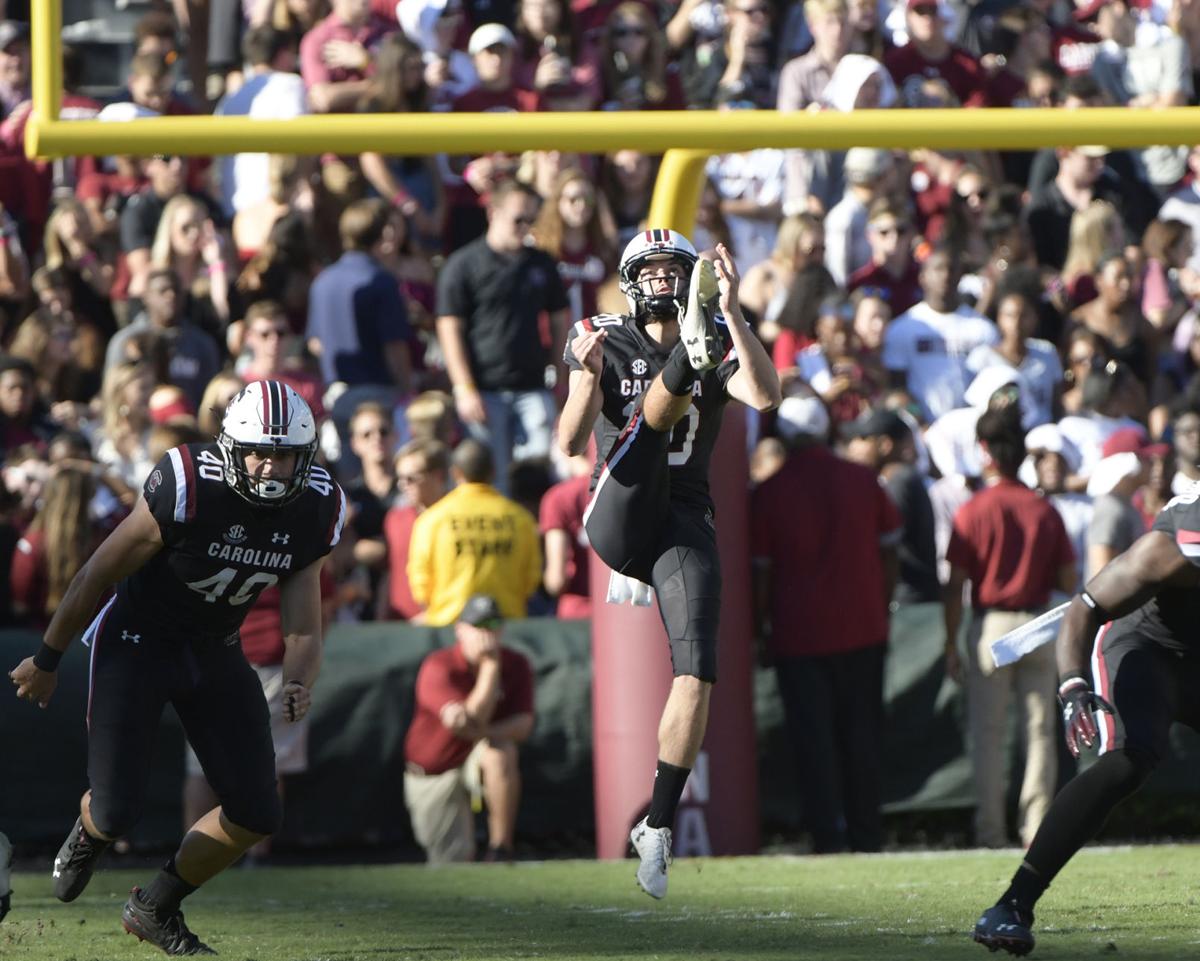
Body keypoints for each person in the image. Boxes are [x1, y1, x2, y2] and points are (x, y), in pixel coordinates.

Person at [8, 381, 345, 956]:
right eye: (258, 452)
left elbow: (304, 627)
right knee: (116, 812)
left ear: (304, 457)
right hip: (137, 640)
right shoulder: (190, 483)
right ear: (231, 448)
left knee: (258, 810)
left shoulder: (315, 507)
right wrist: (47, 658)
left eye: (283, 454)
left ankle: (155, 905)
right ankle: (91, 831)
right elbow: (96, 574)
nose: (268, 466)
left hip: (214, 645)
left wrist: (297, 679)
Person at [559, 232, 780, 898]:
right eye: (647, 270)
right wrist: (586, 378)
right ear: (630, 280)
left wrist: (736, 313)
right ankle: (684, 365)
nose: (658, 278)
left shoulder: (719, 328)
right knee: (647, 432)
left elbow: (766, 396)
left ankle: (656, 825)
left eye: (669, 269)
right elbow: (570, 442)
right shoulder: (598, 334)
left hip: (683, 513)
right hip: (618, 501)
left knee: (698, 669)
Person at [971, 450, 1200, 954]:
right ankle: (1011, 904)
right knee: (1127, 762)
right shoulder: (1168, 550)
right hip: (1146, 649)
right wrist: (1073, 685)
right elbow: (1083, 610)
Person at [751, 392, 900, 853]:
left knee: (815, 745)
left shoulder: (769, 493)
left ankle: (827, 837)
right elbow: (892, 546)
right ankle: (866, 835)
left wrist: (760, 629)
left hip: (800, 638)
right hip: (863, 629)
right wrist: (881, 599)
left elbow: (761, 574)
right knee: (863, 741)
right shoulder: (862, 480)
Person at [945, 408, 1077, 850]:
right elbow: (1065, 579)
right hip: (1038, 624)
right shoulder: (1043, 509)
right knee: (1040, 732)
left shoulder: (973, 509)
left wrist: (950, 642)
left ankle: (990, 831)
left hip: (992, 626)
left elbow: (955, 584)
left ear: (985, 453)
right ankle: (1035, 829)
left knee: (989, 735)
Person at [403, 593, 535, 863]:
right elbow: (465, 722)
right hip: (435, 771)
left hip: (475, 754)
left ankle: (501, 849)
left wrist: (477, 733)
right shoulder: (439, 665)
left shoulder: (517, 663)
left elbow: (522, 726)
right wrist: (490, 667)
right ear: (460, 630)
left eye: (493, 625)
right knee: (452, 862)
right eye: (479, 626)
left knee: (500, 753)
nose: (486, 634)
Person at [407, 438, 542, 626]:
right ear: (493, 472)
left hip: (448, 627)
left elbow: (421, 586)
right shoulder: (521, 519)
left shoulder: (431, 520)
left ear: (455, 473)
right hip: (505, 629)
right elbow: (531, 581)